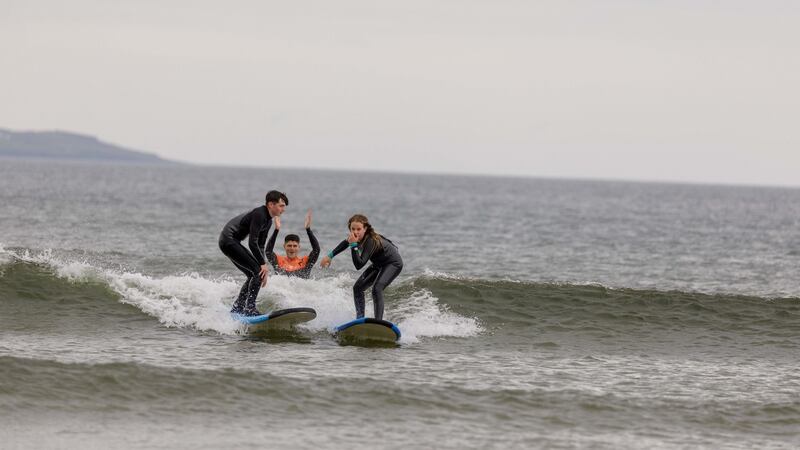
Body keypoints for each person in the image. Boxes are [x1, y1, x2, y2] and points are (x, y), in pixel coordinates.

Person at [320, 214, 402, 320]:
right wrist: (330, 256)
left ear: (365, 229)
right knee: (357, 288)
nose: (355, 232)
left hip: (393, 263)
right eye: (353, 229)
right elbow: (345, 243)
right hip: (378, 264)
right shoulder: (355, 237)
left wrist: (354, 246)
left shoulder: (370, 240)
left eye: (359, 229)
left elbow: (359, 265)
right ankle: (359, 319)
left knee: (377, 289)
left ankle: (378, 322)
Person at [218, 190, 288, 316]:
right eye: (281, 206)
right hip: (229, 241)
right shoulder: (260, 214)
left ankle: (238, 307)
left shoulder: (268, 221)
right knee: (256, 272)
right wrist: (261, 265)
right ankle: (249, 309)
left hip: (231, 242)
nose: (283, 209)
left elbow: (260, 245)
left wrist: (264, 266)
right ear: (271, 204)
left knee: (254, 274)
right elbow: (252, 242)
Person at [265, 209, 320, 279]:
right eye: (289, 245)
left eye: (295, 246)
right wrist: (276, 230)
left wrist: (308, 229)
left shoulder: (305, 261)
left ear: (299, 247)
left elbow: (316, 250)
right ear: (284, 246)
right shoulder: (279, 260)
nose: (292, 248)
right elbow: (268, 251)